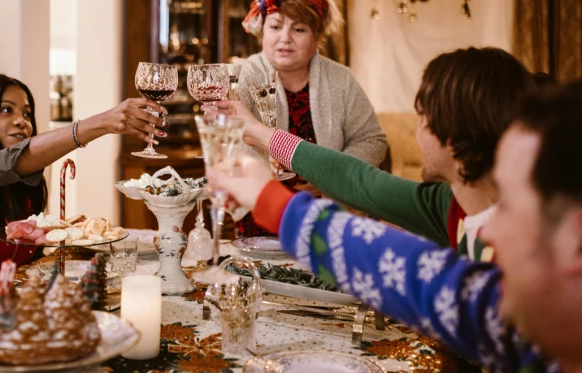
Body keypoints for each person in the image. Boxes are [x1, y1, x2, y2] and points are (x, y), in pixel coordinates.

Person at [209, 80, 582, 373]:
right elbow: (409, 271)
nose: (488, 229)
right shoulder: (511, 323)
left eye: (512, 207)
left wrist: (273, 201)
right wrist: (269, 196)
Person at [0, 74, 167, 326]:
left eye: (27, 113)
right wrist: (100, 123)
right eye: (6, 110)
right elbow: (7, 163)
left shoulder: (22, 188)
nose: (22, 120)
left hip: (3, 319)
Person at [217, 47, 537, 260]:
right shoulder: (449, 204)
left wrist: (268, 198)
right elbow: (358, 181)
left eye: (423, 118)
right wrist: (259, 132)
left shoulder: (524, 251)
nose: (417, 131)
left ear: (457, 134)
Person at [235, 0, 387, 236]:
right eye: (275, 26)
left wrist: (329, 178)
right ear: (262, 31)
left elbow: (372, 140)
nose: (285, 39)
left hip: (329, 220)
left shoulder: (341, 79)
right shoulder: (241, 76)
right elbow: (228, 143)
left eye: (299, 29)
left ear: (317, 37)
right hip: (259, 220)